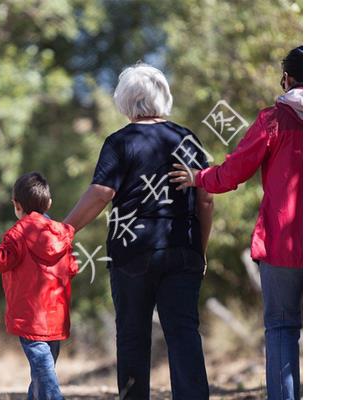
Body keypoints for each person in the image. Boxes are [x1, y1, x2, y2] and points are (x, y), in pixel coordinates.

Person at [63, 63, 213, 399]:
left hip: (132, 252)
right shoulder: (187, 138)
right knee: (184, 334)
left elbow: (102, 193)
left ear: (125, 101)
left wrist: (64, 229)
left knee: (132, 337)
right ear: (164, 97)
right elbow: (206, 201)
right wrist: (198, 251)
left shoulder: (120, 142)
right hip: (182, 250)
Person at [169, 45, 303, 400]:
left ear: (287, 79)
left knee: (282, 328)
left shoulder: (274, 121)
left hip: (283, 246)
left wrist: (198, 178)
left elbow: (233, 172)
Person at [0, 172, 78, 400]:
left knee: (43, 373)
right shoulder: (62, 234)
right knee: (42, 373)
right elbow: (72, 267)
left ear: (16, 204)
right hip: (56, 317)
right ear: (49, 203)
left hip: (30, 317)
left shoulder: (17, 234)